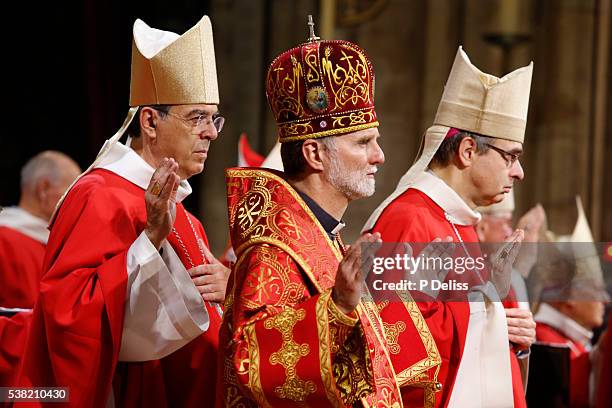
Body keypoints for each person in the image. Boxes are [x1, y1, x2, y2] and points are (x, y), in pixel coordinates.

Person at [14, 16, 229, 407]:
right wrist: (149, 242)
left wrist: (230, 285)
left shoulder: (187, 216)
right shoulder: (100, 195)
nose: (211, 132)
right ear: (149, 121)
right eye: (197, 117)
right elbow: (67, 317)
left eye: (214, 118)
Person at [217, 17, 416, 407]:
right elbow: (252, 363)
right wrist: (338, 306)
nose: (379, 156)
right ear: (314, 154)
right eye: (363, 143)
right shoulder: (272, 250)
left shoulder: (330, 238)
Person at [362, 46, 537, 407]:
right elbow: (386, 351)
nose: (518, 172)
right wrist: (489, 318)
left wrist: (509, 333)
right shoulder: (408, 220)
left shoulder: (459, 223)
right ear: (469, 151)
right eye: (512, 157)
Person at [533, 197, 610, 408]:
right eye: (596, 290)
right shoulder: (543, 343)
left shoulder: (570, 342)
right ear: (571, 298)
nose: (605, 299)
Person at [0, 151, 80, 311]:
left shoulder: (59, 243)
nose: (77, 203)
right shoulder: (4, 240)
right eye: (72, 193)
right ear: (44, 189)